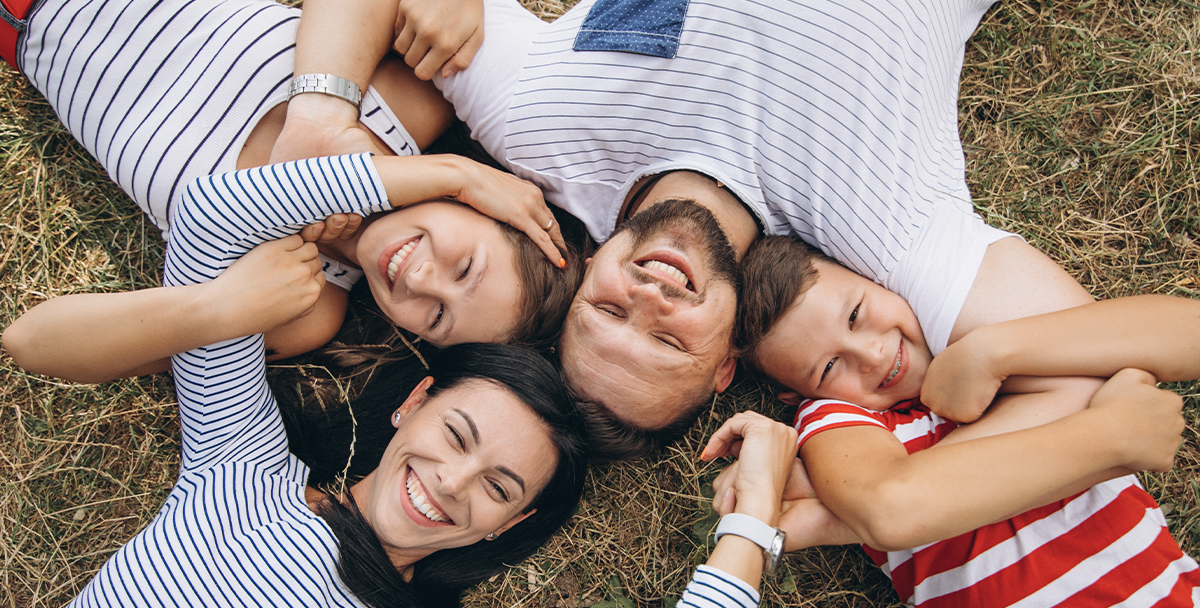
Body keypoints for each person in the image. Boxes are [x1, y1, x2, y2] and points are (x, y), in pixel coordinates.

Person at [272, 0, 1103, 459]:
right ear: (725, 366)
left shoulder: (541, 130)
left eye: (607, 313)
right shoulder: (886, 240)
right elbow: (1087, 376)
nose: (651, 297)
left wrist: (317, 120)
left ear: (585, 268)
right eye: (669, 343)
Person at [36, 153, 801, 608]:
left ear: (508, 525)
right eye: (459, 436)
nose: (450, 483)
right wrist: (454, 176)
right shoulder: (240, 471)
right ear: (413, 402)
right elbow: (214, 214)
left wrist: (754, 522)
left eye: (498, 486)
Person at [5, 0, 583, 380]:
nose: (419, 280)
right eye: (465, 269)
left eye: (436, 318)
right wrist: (452, 169)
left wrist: (212, 309)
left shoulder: (303, 304)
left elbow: (33, 341)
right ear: (488, 209)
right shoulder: (413, 100)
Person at [724, 235, 1200, 608]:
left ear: (878, 280)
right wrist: (1109, 433)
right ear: (799, 396)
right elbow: (891, 504)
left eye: (855, 315)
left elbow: (1186, 333)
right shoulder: (839, 419)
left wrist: (994, 352)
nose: (871, 355)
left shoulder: (1002, 340)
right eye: (829, 367)